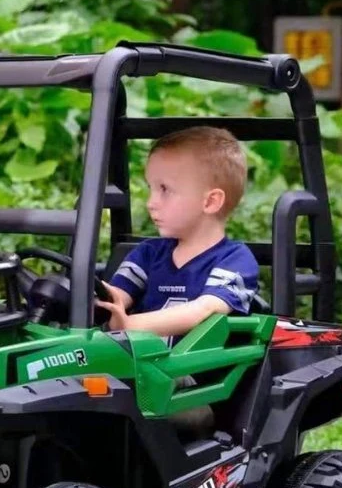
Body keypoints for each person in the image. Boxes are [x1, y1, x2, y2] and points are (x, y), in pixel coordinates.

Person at [97, 126, 259, 343]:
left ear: (210, 202)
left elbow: (203, 310)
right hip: (139, 366)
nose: (150, 203)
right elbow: (115, 298)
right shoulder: (148, 254)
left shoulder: (235, 260)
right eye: (150, 188)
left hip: (197, 373)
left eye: (165, 189)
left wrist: (129, 325)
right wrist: (92, 299)